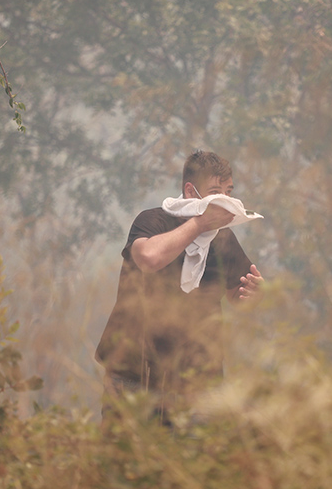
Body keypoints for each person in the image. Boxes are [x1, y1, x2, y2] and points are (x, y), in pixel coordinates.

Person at [95, 149, 264, 427]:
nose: (226, 201)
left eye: (229, 192)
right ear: (191, 191)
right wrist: (199, 224)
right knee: (128, 464)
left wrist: (254, 292)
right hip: (136, 375)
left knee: (194, 466)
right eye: (215, 192)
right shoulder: (153, 221)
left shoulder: (224, 239)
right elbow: (149, 258)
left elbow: (238, 295)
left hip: (198, 380)